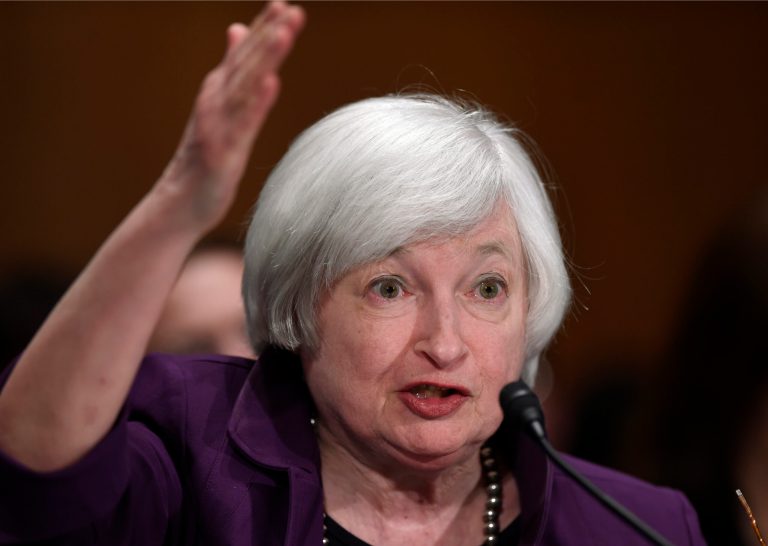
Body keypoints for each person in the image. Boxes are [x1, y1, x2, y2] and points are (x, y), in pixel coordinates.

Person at [0, 2, 706, 545]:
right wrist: (177, 207)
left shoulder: (639, 527)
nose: (446, 342)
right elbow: (37, 473)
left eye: (487, 288)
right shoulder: (192, 459)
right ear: (302, 306)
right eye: (389, 288)